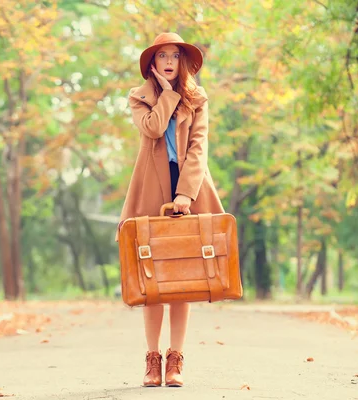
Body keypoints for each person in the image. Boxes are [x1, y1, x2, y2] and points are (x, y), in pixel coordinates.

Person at [117, 32, 225, 387]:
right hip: (151, 190)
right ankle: (152, 359)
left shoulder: (198, 99)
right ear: (152, 63)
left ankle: (175, 359)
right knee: (153, 278)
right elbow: (152, 129)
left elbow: (198, 148)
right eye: (162, 55)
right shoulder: (139, 97)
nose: (168, 61)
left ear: (183, 62)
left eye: (175, 56)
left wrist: (186, 196)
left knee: (185, 278)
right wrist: (166, 94)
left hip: (189, 191)